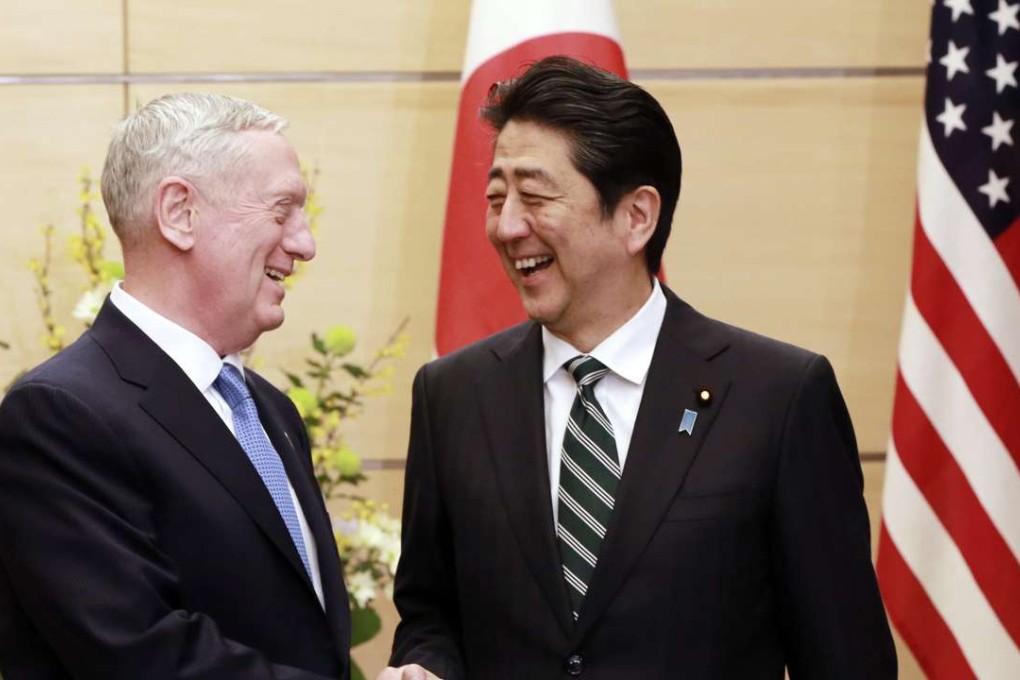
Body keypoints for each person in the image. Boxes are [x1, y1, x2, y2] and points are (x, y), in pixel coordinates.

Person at [381, 57, 896, 679]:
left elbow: (845, 657)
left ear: (636, 217)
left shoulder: (777, 397)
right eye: (496, 198)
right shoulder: (453, 394)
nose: (508, 226)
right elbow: (431, 612)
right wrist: (424, 666)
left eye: (536, 196)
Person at [0, 93, 351, 679]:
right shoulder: (59, 416)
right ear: (180, 213)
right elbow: (141, 654)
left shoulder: (270, 410)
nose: (305, 244)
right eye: (282, 209)